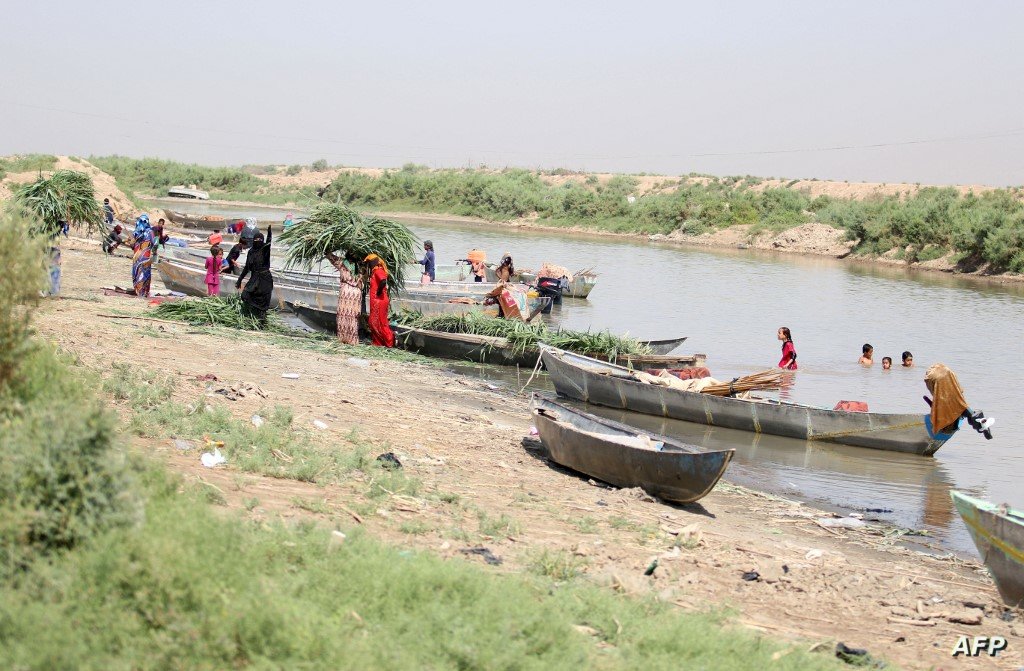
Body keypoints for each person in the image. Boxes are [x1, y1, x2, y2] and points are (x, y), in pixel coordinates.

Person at [236, 227, 273, 324]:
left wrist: (269, 234)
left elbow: (269, 243)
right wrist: (240, 279)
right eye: (256, 240)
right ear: (253, 240)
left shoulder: (265, 249)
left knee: (263, 300)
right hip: (254, 278)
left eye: (260, 240)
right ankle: (253, 313)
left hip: (265, 278)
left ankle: (261, 320)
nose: (258, 241)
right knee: (245, 295)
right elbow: (247, 267)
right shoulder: (251, 252)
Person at [325, 251, 362, 345]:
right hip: (356, 293)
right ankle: (352, 340)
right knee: (353, 316)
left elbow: (330, 256)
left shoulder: (342, 263)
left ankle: (343, 338)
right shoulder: (361, 266)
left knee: (343, 314)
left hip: (345, 293)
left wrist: (327, 249)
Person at [363, 254, 394, 347]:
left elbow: (383, 281)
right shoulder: (374, 271)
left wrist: (378, 292)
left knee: (380, 322)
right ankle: (378, 343)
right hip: (376, 301)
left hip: (380, 301)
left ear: (373, 262)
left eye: (369, 263)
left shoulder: (378, 270)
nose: (368, 265)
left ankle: (389, 342)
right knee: (374, 322)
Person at [131, 214, 155, 297]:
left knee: (137, 273)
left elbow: (131, 245)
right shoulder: (150, 232)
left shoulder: (136, 232)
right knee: (145, 274)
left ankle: (138, 291)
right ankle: (144, 292)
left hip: (136, 257)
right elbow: (153, 244)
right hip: (145, 256)